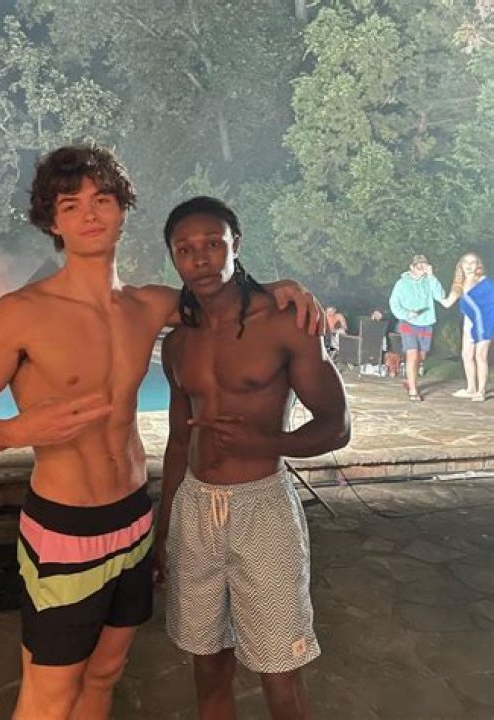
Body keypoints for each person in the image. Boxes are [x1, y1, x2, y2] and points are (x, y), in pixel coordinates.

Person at [0, 144, 321, 720]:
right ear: (52, 222)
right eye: (70, 205)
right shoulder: (22, 312)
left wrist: (280, 287)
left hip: (133, 523)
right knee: (48, 697)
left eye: (102, 199)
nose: (90, 214)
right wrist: (19, 428)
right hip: (64, 528)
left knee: (105, 675)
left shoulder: (151, 305)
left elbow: (224, 293)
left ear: (122, 209)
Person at [153, 197, 350, 720]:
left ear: (235, 245)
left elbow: (337, 425)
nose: (200, 258)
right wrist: (163, 527)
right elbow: (178, 442)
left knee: (279, 673)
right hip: (195, 508)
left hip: (262, 507)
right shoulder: (178, 344)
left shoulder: (285, 324)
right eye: (184, 249)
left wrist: (265, 444)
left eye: (213, 244)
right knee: (207, 665)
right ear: (173, 257)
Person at [388, 254, 446, 400]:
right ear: (411, 267)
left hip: (426, 323)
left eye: (424, 265)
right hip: (408, 323)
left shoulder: (429, 281)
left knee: (421, 356)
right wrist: (406, 314)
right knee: (412, 353)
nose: (421, 268)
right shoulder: (402, 283)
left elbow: (441, 296)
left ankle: (410, 380)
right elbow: (394, 303)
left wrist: (432, 276)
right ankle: (413, 390)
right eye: (418, 265)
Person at [440, 252, 494, 401]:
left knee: (480, 356)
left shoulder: (484, 282)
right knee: (466, 355)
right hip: (468, 324)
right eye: (466, 262)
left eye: (473, 262)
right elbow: (447, 303)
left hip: (484, 323)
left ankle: (481, 391)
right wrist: (431, 282)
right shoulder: (459, 285)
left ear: (478, 265)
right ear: (461, 265)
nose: (469, 265)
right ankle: (471, 388)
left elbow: (491, 304)